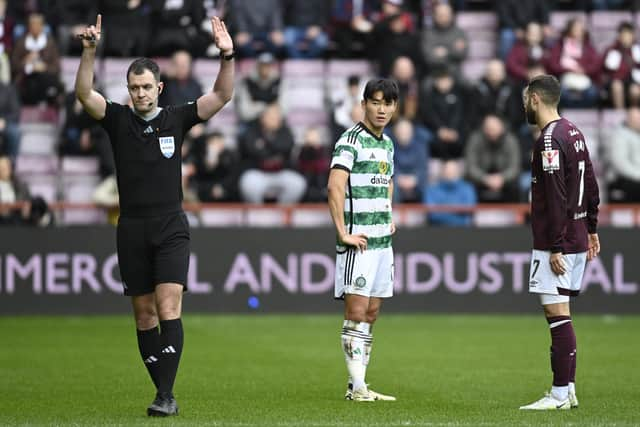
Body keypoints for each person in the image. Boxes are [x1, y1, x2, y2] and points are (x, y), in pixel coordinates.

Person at [74, 14, 234, 416]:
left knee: (169, 307)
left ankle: (165, 396)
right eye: (134, 88)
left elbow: (221, 97)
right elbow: (83, 95)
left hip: (170, 226)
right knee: (144, 315)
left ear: (159, 87)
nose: (140, 93)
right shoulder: (117, 119)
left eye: (146, 87)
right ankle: (164, 391)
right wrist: (89, 53)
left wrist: (227, 56)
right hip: (131, 228)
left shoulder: (175, 118)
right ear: (128, 90)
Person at [519, 74, 600, 411]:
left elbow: (555, 196)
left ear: (536, 98)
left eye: (526, 99)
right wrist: (592, 227)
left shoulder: (549, 140)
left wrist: (555, 245)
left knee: (557, 315)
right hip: (578, 234)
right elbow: (591, 182)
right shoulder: (574, 132)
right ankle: (568, 388)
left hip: (559, 241)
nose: (524, 105)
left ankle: (559, 392)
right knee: (562, 314)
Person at [327, 78, 399, 402]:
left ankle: (358, 384)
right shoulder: (349, 141)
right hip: (360, 242)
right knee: (356, 312)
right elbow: (334, 187)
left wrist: (388, 213)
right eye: (376, 102)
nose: (382, 109)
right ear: (364, 104)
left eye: (388, 103)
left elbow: (387, 181)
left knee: (371, 313)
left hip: (383, 242)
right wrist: (343, 232)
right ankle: (358, 388)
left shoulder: (387, 144)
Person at [238, 103, 306, 203]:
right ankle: (257, 214)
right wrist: (273, 149)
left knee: (298, 183)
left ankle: (282, 213)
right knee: (248, 183)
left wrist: (266, 144)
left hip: (280, 173)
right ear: (262, 117)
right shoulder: (253, 131)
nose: (274, 119)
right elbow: (251, 150)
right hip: (258, 173)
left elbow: (286, 147)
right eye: (270, 116)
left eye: (276, 116)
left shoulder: (285, 131)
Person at [424, 160, 476, 227]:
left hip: (463, 230)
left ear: (458, 173)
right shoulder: (431, 189)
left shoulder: (467, 188)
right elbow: (432, 214)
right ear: (442, 172)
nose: (450, 174)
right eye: (448, 172)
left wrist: (441, 208)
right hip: (437, 230)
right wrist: (457, 210)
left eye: (453, 172)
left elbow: (468, 211)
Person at [608, 107, 640, 202]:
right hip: (624, 180)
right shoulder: (619, 136)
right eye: (637, 119)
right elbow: (620, 164)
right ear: (628, 120)